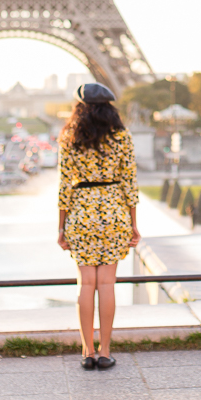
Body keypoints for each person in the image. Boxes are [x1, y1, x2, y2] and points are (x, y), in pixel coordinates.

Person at [57, 82, 140, 370]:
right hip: (114, 211)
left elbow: (63, 187)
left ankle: (86, 351)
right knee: (107, 284)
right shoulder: (122, 137)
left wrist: (61, 227)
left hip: (82, 212)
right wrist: (133, 224)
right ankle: (105, 351)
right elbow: (130, 183)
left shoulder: (70, 137)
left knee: (86, 284)